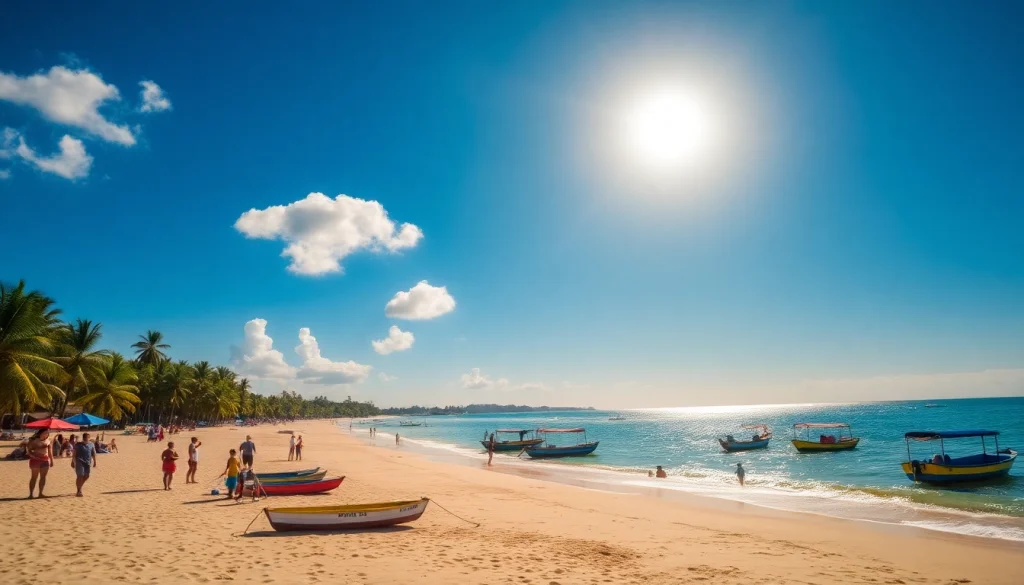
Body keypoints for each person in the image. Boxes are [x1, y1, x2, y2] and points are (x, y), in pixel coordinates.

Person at [27, 429, 53, 499]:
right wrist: (33, 455)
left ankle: (40, 493)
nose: (47, 434)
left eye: (47, 433)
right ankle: (31, 494)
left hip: (45, 460)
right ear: (41, 433)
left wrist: (52, 460)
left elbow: (50, 451)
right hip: (35, 460)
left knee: (43, 477)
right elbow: (29, 450)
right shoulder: (34, 441)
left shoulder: (48, 440)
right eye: (45, 432)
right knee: (34, 477)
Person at [73, 432, 98, 497]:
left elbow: (93, 453)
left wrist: (95, 462)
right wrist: (72, 461)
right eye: (85, 437)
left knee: (86, 476)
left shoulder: (91, 444)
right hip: (79, 461)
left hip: (88, 462)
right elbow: (74, 454)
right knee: (80, 475)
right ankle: (79, 490)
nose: (86, 438)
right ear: (83, 438)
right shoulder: (78, 444)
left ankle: (80, 486)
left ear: (89, 438)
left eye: (87, 437)